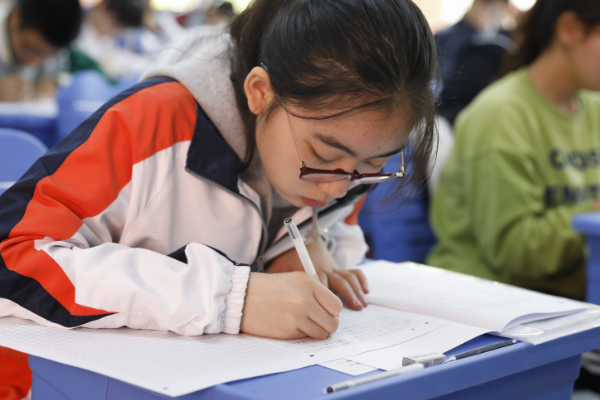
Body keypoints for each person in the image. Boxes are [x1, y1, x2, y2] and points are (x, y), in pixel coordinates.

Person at [0, 0, 437, 340]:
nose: (338, 188)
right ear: (260, 93)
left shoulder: (347, 163)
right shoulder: (154, 123)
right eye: (323, 156)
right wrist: (231, 298)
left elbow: (326, 223)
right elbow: (12, 259)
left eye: (372, 167)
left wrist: (295, 244)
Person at [428, 0, 600, 301]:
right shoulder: (501, 116)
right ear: (570, 30)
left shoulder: (592, 108)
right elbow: (514, 254)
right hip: (490, 303)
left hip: (564, 298)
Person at [435, 0, 516, 125]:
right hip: (442, 113)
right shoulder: (447, 37)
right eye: (491, 9)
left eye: (497, 11)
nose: (492, 15)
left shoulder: (491, 41)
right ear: (477, 4)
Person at [0, 0, 82, 102]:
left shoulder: (58, 43)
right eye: (29, 48)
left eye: (47, 55)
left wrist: (54, 83)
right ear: (15, 17)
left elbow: (62, 73)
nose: (35, 61)